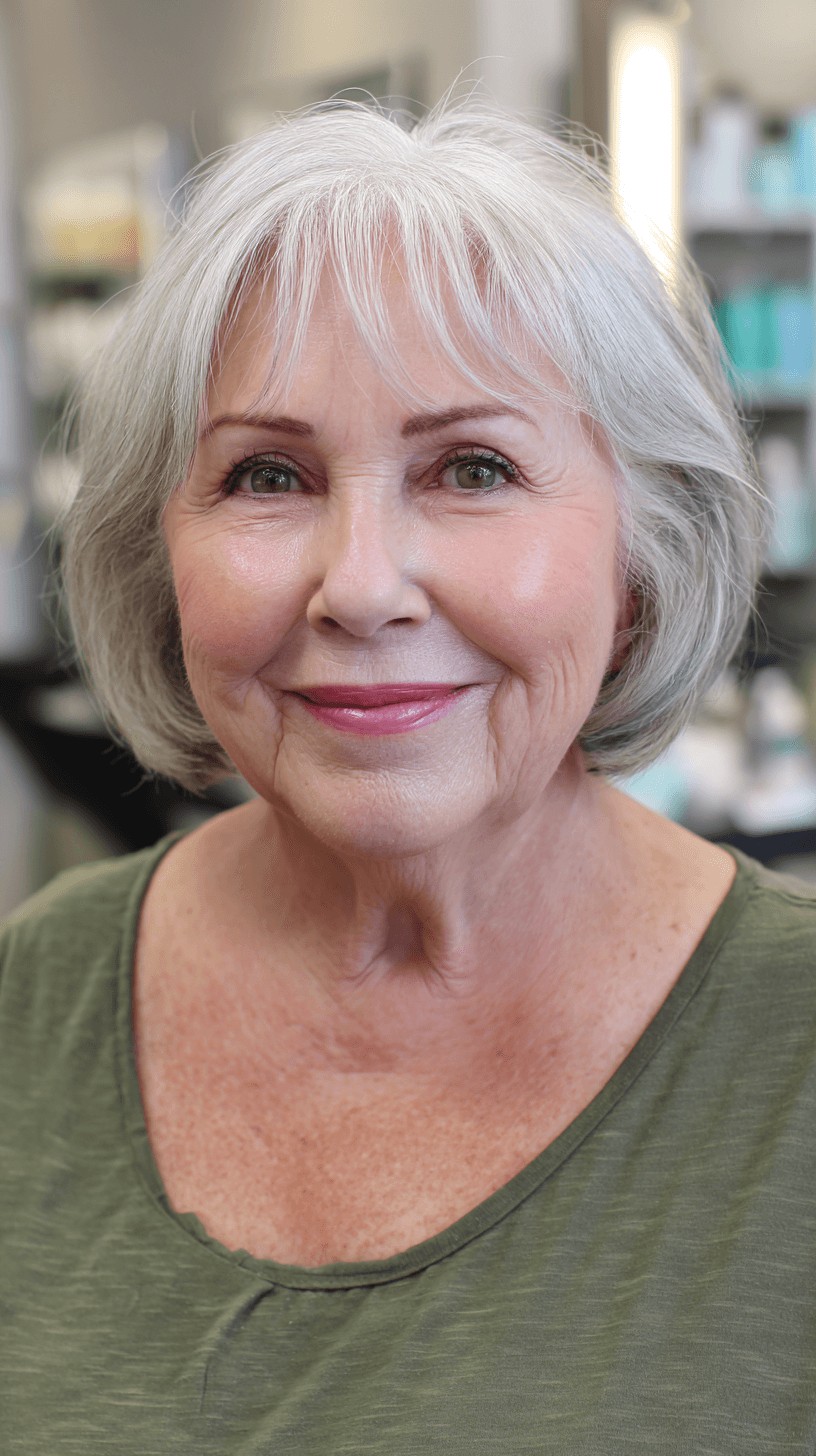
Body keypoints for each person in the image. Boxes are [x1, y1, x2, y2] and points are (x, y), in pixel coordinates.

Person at [1, 93, 814, 1454]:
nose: (363, 585)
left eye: (474, 468)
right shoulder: (35, 998)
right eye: (267, 477)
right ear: (160, 557)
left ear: (643, 553)